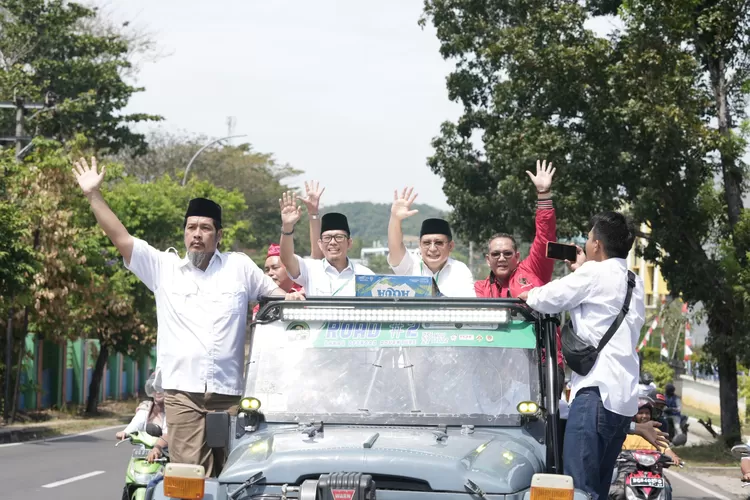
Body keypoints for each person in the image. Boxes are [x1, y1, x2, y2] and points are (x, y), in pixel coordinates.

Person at [72, 157, 304, 477]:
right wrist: (93, 196)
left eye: (205, 228)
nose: (197, 234)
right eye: (191, 227)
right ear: (184, 232)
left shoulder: (240, 267)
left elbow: (277, 300)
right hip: (183, 395)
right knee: (188, 473)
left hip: (229, 396)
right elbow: (121, 239)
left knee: (230, 474)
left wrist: (291, 297)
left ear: (218, 235)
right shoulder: (163, 268)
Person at [519, 211, 645, 500]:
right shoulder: (633, 282)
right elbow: (601, 301)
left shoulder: (594, 273)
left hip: (595, 396)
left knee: (577, 490)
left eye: (589, 238)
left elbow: (549, 298)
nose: (587, 243)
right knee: (597, 489)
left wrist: (529, 296)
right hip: (622, 401)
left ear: (597, 244)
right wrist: (582, 270)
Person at [473, 160, 564, 377]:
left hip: (543, 363)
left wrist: (544, 194)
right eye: (495, 254)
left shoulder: (533, 270)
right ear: (488, 259)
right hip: (497, 372)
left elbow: (545, 235)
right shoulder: (479, 289)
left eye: (507, 253)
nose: (501, 258)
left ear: (517, 256)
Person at [279, 191, 374, 296]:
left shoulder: (365, 275)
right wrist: (287, 226)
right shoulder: (310, 268)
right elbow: (286, 259)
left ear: (349, 243)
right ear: (320, 244)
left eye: (339, 237)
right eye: (327, 238)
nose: (333, 242)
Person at [387, 187, 475, 297]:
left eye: (438, 243)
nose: (432, 248)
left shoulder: (460, 270)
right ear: (419, 245)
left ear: (451, 246)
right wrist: (395, 218)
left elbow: (468, 306)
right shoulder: (410, 264)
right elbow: (395, 246)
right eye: (426, 243)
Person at [116, 372, 167, 440]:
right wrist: (125, 432)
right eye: (154, 388)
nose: (158, 392)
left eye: (161, 388)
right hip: (146, 449)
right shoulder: (146, 407)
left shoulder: (174, 409)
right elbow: (136, 422)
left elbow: (169, 432)